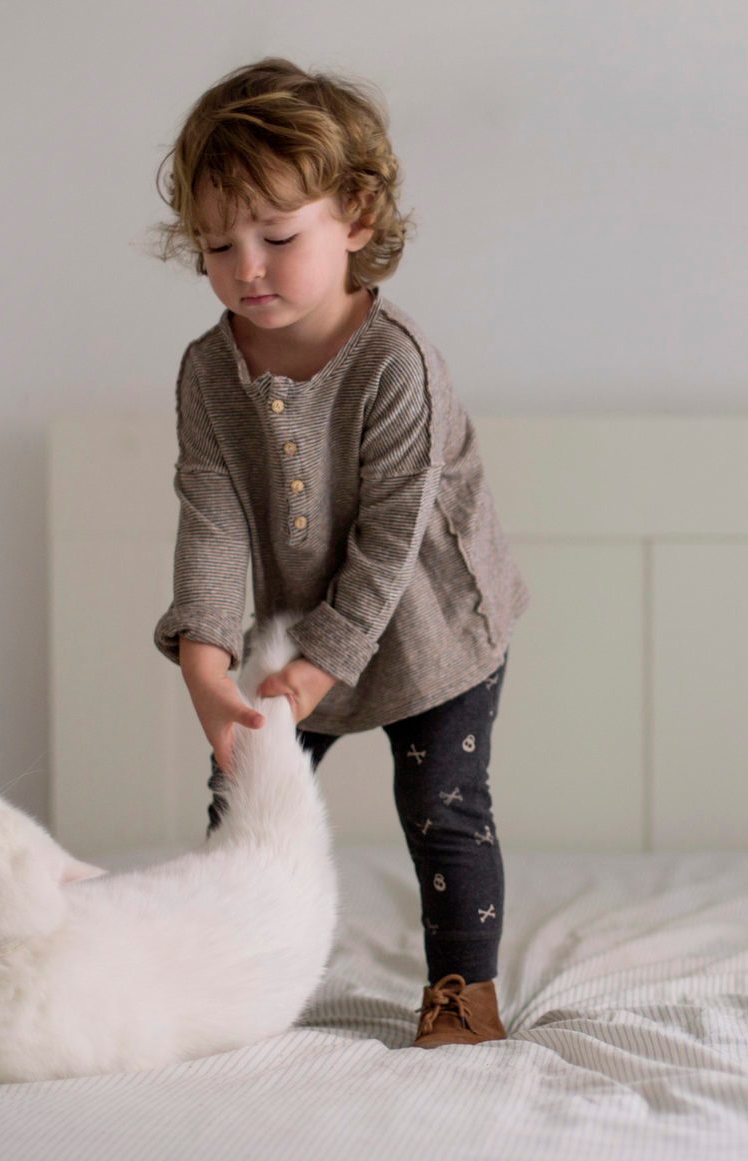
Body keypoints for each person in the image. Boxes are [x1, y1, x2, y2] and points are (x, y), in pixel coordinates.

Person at [150, 57, 530, 1048]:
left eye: (276, 236)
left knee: (442, 808)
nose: (247, 268)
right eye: (217, 245)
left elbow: (387, 543)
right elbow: (214, 515)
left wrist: (319, 671)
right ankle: (226, 972)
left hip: (428, 623)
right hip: (288, 625)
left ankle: (461, 993)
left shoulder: (395, 366)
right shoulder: (207, 373)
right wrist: (205, 658)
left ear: (355, 215)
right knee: (246, 797)